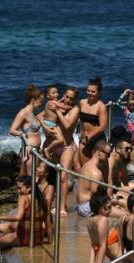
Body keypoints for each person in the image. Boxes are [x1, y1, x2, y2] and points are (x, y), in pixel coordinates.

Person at [0, 176, 51, 259]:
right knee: (13, 225)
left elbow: (18, 217)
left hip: (23, 239)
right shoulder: (43, 201)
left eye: (20, 188)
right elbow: (49, 225)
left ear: (29, 188)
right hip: (38, 239)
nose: (18, 191)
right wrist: (51, 242)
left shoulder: (24, 198)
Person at [52, 86, 81, 217]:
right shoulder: (60, 105)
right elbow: (42, 116)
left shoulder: (75, 110)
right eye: (67, 97)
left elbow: (67, 125)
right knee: (55, 177)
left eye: (71, 98)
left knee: (64, 177)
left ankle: (63, 207)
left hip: (66, 147)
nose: (68, 100)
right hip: (54, 145)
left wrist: (57, 111)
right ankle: (56, 204)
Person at [9, 84, 43, 176]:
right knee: (28, 180)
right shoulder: (23, 113)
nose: (41, 103)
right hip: (29, 151)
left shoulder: (33, 114)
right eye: (40, 101)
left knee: (33, 179)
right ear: (33, 100)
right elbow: (12, 130)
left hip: (36, 150)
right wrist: (23, 135)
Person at [79, 76, 108, 166]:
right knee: (84, 167)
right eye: (88, 90)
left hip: (97, 141)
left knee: (97, 168)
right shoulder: (82, 102)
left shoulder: (101, 106)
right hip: (83, 141)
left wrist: (90, 136)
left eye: (93, 91)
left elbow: (103, 126)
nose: (90, 93)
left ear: (98, 92)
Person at [87, 189, 119, 263]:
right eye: (109, 207)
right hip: (119, 261)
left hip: (114, 260)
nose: (111, 210)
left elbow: (94, 245)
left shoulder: (90, 219)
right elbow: (102, 246)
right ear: (101, 208)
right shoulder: (102, 220)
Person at [38, 85, 70, 160]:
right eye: (53, 93)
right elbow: (64, 107)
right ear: (48, 96)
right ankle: (47, 149)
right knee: (60, 140)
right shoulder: (52, 102)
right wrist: (72, 107)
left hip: (47, 124)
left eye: (57, 92)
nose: (56, 94)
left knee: (49, 140)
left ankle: (44, 152)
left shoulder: (50, 102)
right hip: (50, 124)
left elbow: (57, 103)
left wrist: (62, 99)